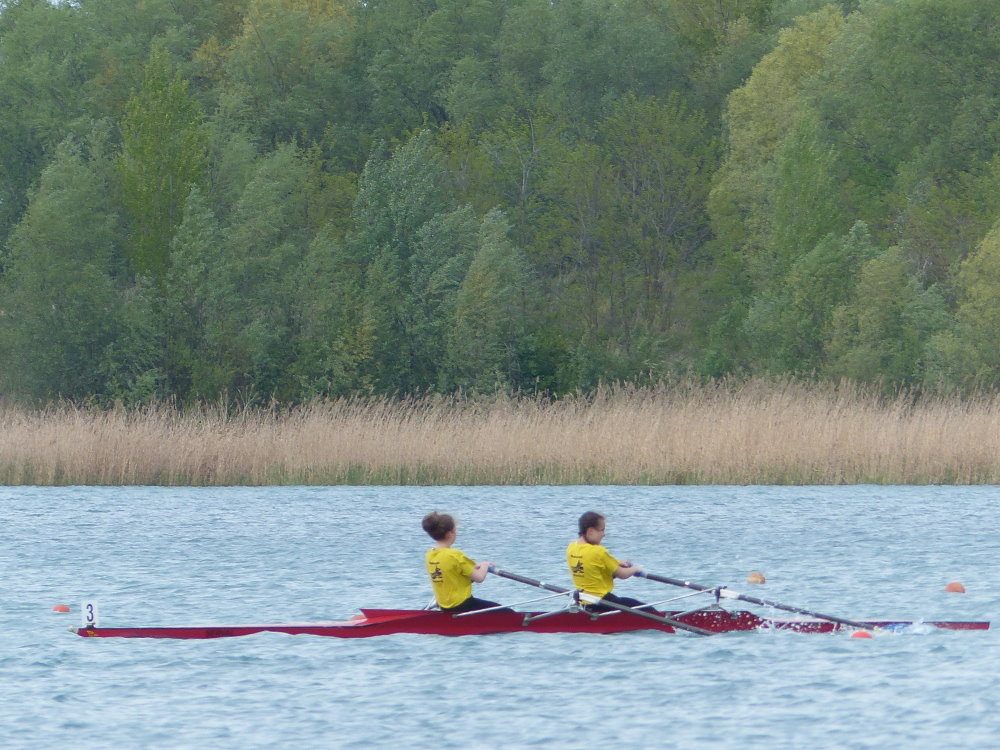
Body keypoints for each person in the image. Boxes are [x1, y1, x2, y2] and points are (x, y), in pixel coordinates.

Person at [422, 511, 503, 613]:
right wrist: (485, 566)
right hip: (463, 605)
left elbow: (451, 574)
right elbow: (479, 578)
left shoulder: (429, 555)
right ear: (450, 534)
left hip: (445, 606)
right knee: (506, 612)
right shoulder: (455, 555)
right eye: (455, 531)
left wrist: (473, 568)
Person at [567, 510, 645, 612]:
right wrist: (635, 569)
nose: (604, 534)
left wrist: (619, 563)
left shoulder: (571, 548)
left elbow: (594, 565)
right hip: (602, 602)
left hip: (583, 601)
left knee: (626, 602)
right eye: (602, 530)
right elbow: (622, 574)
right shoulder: (598, 551)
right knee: (642, 607)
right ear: (590, 531)